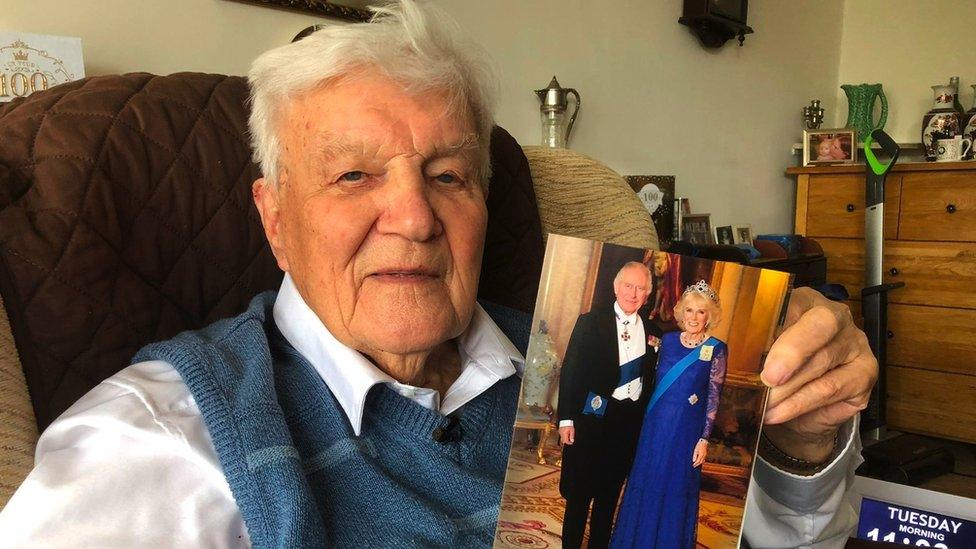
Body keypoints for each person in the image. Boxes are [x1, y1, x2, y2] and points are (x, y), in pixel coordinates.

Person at [0, 2, 878, 548]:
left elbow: (784, 535)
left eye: (449, 175)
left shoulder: (564, 356)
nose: (415, 217)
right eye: (353, 176)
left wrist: (803, 442)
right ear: (275, 219)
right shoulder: (166, 435)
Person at [610, 280, 727, 548]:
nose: (694, 317)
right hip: (654, 425)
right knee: (646, 480)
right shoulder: (668, 341)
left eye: (701, 312)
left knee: (674, 486)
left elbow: (713, 397)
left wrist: (704, 439)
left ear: (709, 316)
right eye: (689, 310)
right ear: (681, 312)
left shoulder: (717, 348)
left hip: (686, 431)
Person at [556, 262, 663, 549]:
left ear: (648, 294)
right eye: (628, 285)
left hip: (628, 425)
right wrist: (566, 418)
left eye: (641, 288)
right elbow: (571, 370)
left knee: (608, 498)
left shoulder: (655, 332)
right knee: (579, 497)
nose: (633, 293)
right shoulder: (591, 322)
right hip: (591, 418)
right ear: (616, 287)